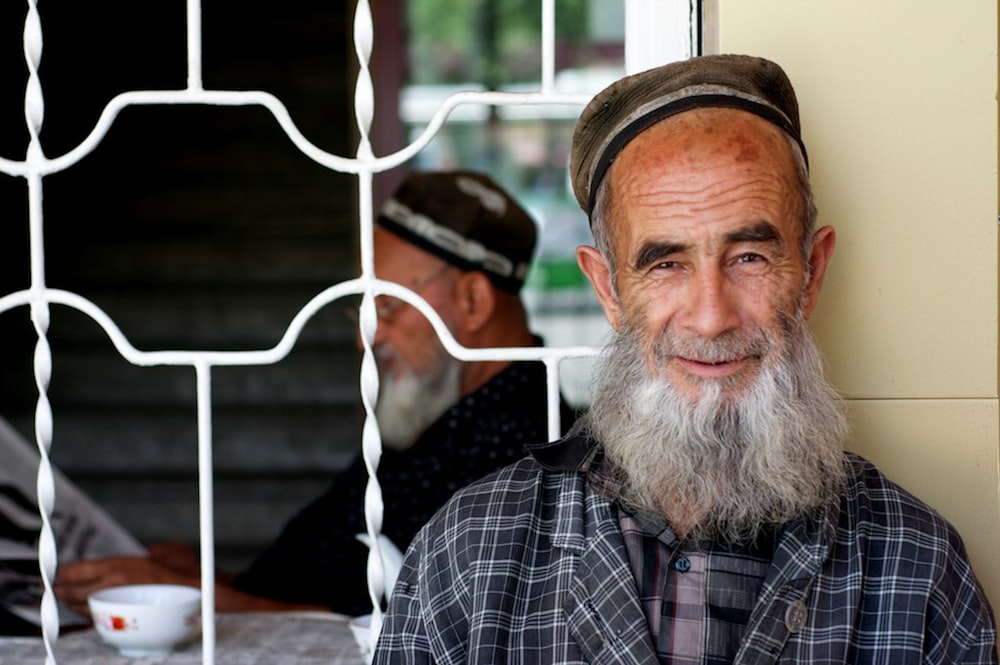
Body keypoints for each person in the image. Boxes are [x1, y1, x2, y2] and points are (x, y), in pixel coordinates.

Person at [373, 55, 998, 663]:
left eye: (749, 257)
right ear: (609, 290)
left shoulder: (916, 568)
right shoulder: (469, 557)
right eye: (666, 264)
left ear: (811, 273)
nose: (711, 315)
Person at [55, 170, 575, 618]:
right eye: (361, 312)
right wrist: (217, 584)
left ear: (472, 300)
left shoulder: (522, 447)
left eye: (387, 309)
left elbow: (402, 631)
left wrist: (205, 599)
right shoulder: (435, 415)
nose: (365, 337)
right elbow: (331, 586)